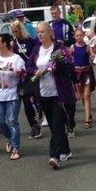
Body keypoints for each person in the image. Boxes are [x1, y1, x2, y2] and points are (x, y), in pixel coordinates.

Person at [31, 22, 75, 169]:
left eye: (42, 32)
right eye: (38, 32)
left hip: (59, 93)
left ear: (50, 32)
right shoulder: (36, 49)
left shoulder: (59, 48)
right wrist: (34, 72)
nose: (40, 35)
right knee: (54, 126)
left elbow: (70, 67)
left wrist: (59, 64)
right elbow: (29, 65)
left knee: (57, 124)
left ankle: (54, 156)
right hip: (43, 93)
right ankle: (66, 150)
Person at [0, 32, 27, 160]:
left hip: (12, 95)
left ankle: (15, 147)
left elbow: (24, 76)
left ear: (5, 44)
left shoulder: (16, 59)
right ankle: (10, 138)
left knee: (12, 121)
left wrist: (20, 73)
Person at [11, 19, 42, 139]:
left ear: (21, 30)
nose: (15, 34)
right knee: (26, 100)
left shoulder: (30, 41)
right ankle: (34, 125)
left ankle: (39, 119)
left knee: (37, 99)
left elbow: (36, 55)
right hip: (22, 76)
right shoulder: (14, 44)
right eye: (13, 32)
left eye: (16, 31)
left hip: (32, 73)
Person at [71, 27, 95, 129]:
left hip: (86, 72)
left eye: (80, 35)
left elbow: (92, 56)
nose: (79, 37)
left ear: (83, 36)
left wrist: (93, 56)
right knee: (81, 96)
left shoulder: (87, 47)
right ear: (74, 37)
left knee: (87, 96)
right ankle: (88, 114)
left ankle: (87, 120)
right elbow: (69, 58)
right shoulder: (72, 47)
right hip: (77, 73)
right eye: (77, 35)